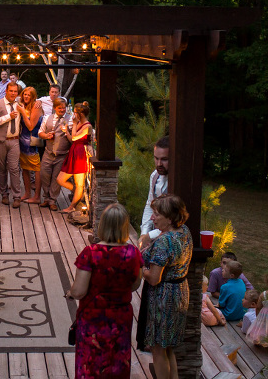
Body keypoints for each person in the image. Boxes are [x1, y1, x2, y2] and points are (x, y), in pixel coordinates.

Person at [65, 203, 143, 379]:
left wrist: (69, 293)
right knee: (117, 360)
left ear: (103, 224)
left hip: (94, 316)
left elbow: (78, 291)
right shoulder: (133, 253)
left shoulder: (91, 253)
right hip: (120, 316)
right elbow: (135, 285)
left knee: (90, 361)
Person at [138, 194, 193, 379]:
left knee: (158, 349)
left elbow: (154, 278)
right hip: (180, 292)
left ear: (169, 218)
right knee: (168, 346)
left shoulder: (164, 242)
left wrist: (140, 269)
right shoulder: (184, 231)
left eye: (156, 214)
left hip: (164, 297)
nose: (152, 217)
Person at [0, 82, 23, 208]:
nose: (13, 93)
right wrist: (8, 117)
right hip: (0, 140)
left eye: (15, 91)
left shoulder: (20, 104)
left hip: (14, 140)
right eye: (11, 91)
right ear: (6, 91)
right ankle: (4, 194)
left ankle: (17, 196)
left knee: (14, 168)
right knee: (1, 168)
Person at [56, 101, 92, 213]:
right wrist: (66, 131)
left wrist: (75, 124)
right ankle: (78, 193)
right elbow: (72, 139)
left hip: (81, 154)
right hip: (74, 152)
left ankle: (71, 207)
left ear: (80, 114)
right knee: (60, 179)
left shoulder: (88, 126)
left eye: (75, 113)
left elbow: (76, 138)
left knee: (79, 183)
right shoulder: (80, 124)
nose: (73, 115)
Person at [38, 98, 71, 210]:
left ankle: (53, 200)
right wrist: (47, 136)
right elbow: (40, 132)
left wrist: (67, 132)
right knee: (44, 175)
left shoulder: (70, 119)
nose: (62, 110)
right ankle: (46, 198)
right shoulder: (47, 118)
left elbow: (73, 137)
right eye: (59, 107)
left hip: (62, 154)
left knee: (56, 179)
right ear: (54, 108)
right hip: (48, 152)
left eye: (63, 107)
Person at [138, 136, 170, 249]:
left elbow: (175, 221)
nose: (159, 164)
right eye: (156, 158)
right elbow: (149, 204)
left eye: (164, 159)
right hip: (155, 236)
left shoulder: (177, 181)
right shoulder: (154, 176)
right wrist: (144, 233)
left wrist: (149, 235)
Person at [18, 86, 43, 203]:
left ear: (33, 97)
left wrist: (22, 112)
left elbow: (31, 126)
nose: (26, 96)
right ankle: (27, 193)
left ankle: (37, 196)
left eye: (29, 95)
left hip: (32, 142)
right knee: (24, 168)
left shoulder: (36, 107)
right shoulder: (23, 104)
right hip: (22, 141)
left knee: (36, 168)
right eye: (25, 94)